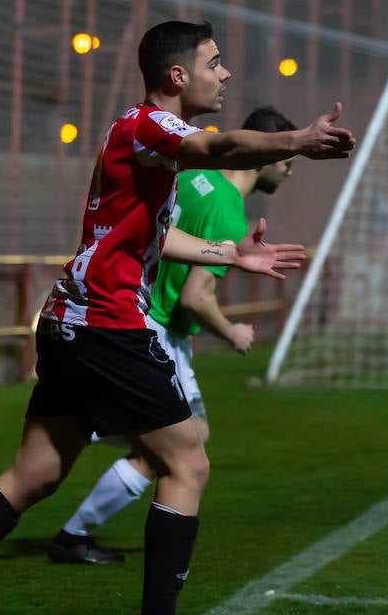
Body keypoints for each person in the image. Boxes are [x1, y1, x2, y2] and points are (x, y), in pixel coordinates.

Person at [0, 20, 355, 615]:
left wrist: (229, 257)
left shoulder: (139, 139)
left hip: (71, 321)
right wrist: (297, 138)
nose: (226, 75)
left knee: (36, 474)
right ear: (177, 77)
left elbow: (153, 241)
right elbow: (223, 144)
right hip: (107, 326)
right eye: (215, 63)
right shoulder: (152, 128)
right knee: (188, 463)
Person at [47, 105, 298, 566]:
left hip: (137, 315)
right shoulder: (229, 214)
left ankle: (79, 506)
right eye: (285, 163)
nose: (286, 174)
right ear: (261, 158)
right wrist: (232, 333)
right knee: (176, 448)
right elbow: (195, 298)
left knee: (177, 439)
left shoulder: (190, 182)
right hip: (155, 330)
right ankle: (74, 534)